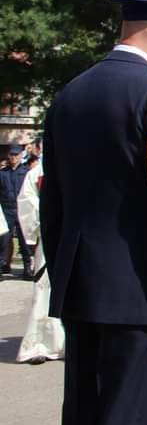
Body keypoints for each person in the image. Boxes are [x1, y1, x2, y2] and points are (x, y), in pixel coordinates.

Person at [41, 0, 147, 425]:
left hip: (81, 290)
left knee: (83, 418)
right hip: (142, 298)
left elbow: (53, 204)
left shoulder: (70, 94)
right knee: (129, 423)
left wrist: (65, 279)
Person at [16, 159, 64, 364]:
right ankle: (39, 344)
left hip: (76, 235)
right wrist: (46, 220)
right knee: (45, 289)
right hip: (50, 234)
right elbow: (27, 200)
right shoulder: (37, 172)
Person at [1, 143, 32, 277]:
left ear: (20, 156)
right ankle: (2, 266)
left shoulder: (26, 172)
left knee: (24, 240)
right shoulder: (2, 173)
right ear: (8, 156)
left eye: (16, 155)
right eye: (11, 155)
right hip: (6, 210)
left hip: (22, 210)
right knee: (3, 240)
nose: (13, 157)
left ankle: (27, 269)